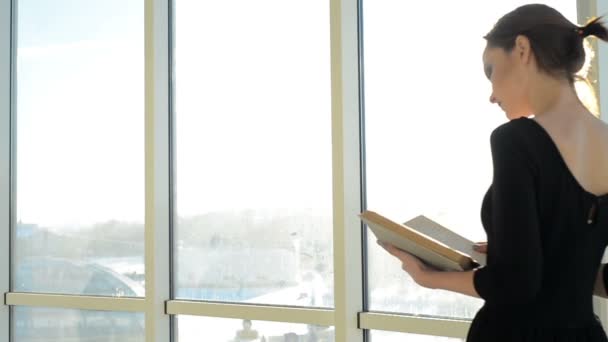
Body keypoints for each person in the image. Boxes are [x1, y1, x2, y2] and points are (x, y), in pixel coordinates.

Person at [378, 4, 608, 342]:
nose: (491, 95)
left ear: (522, 49)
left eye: (491, 70)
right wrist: (558, 264)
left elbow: (514, 283)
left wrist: (430, 277)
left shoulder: (517, 140)